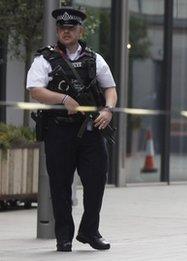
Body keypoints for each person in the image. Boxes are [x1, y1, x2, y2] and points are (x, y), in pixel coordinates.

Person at [26, 7, 117, 252]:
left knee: (97, 181)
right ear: (57, 30)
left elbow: (110, 87)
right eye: (62, 28)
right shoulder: (45, 59)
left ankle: (89, 231)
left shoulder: (94, 59)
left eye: (71, 28)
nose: (66, 32)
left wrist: (108, 110)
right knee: (60, 185)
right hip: (59, 131)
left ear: (80, 30)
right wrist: (63, 99)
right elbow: (35, 89)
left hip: (90, 129)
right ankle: (63, 237)